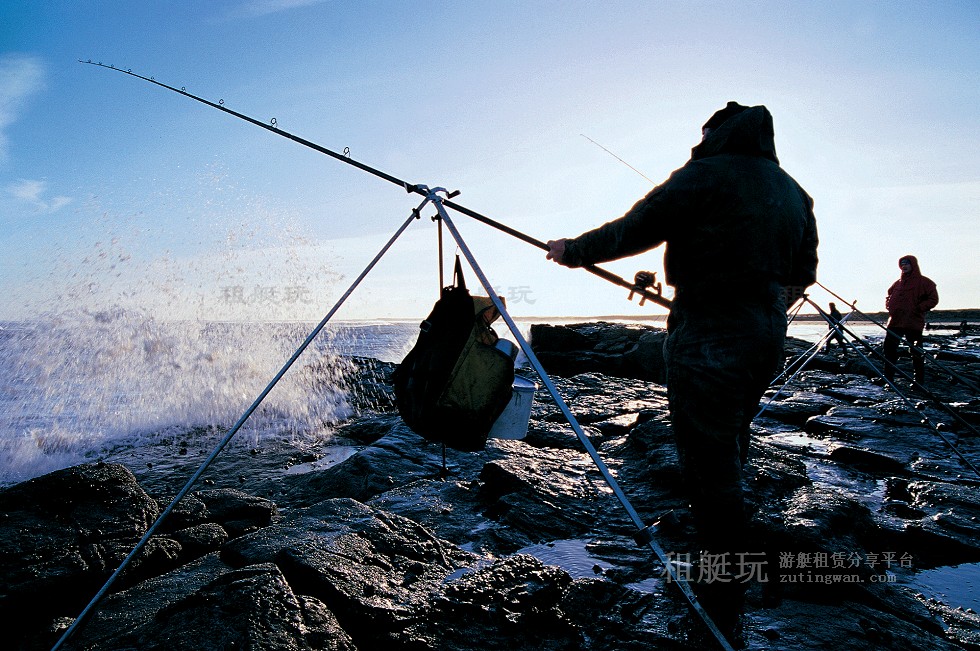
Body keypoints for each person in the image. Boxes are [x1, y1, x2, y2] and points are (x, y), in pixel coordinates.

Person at [546, 101, 818, 637]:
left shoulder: (704, 175)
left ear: (719, 132)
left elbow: (635, 229)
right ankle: (729, 572)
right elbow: (803, 273)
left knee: (709, 462)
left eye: (706, 129)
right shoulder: (793, 191)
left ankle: (722, 596)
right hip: (766, 335)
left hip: (709, 333)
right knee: (730, 440)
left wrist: (570, 250)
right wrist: (761, 307)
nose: (701, 137)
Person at [883, 255, 938, 383]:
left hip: (913, 323)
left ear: (913, 265)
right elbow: (889, 295)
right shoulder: (897, 283)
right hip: (895, 322)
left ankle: (918, 381)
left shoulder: (925, 282)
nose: (904, 266)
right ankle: (888, 378)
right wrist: (889, 305)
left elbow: (933, 299)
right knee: (889, 350)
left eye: (907, 263)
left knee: (916, 352)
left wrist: (919, 308)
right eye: (902, 264)